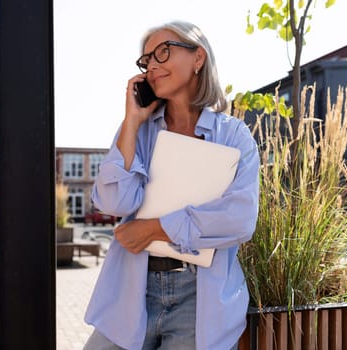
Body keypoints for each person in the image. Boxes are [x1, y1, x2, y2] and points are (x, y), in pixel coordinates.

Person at [84, 20, 260, 350]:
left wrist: (154, 228)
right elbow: (113, 201)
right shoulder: (138, 132)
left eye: (162, 52)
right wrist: (132, 121)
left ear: (198, 58)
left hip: (200, 298)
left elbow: (239, 219)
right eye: (146, 60)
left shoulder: (234, 136)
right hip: (132, 290)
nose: (151, 65)